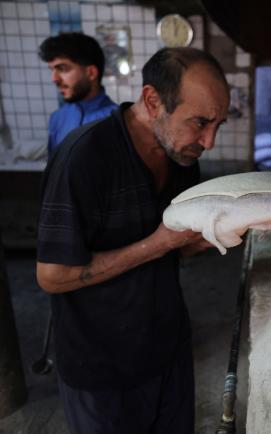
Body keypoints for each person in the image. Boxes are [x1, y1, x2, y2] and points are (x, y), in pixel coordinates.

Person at [36, 47, 230, 434]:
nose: (209, 141)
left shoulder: (181, 154)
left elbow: (176, 244)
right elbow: (52, 276)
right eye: (200, 123)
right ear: (152, 100)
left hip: (167, 350)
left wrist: (205, 237)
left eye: (218, 125)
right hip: (101, 369)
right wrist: (158, 243)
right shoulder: (84, 157)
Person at [39, 32, 118, 159]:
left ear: (91, 73)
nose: (54, 79)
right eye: (52, 70)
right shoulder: (57, 118)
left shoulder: (117, 121)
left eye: (62, 69)